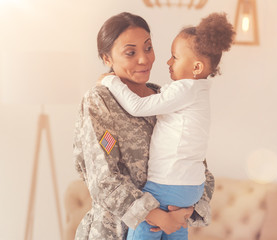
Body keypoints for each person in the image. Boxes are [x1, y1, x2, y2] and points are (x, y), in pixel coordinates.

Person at [73, 12, 215, 240]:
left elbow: (198, 164)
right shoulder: (101, 101)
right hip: (114, 232)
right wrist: (159, 217)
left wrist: (186, 211)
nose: (144, 59)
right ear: (107, 58)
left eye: (148, 48)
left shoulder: (164, 95)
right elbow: (103, 178)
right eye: (131, 52)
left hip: (169, 225)